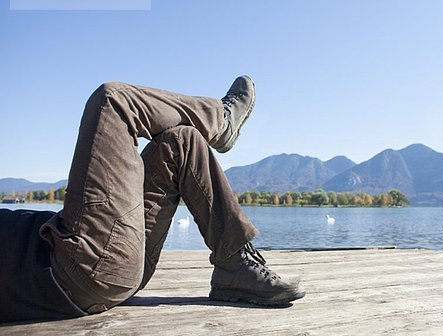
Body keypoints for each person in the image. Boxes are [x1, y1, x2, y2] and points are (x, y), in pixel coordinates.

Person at [0, 76, 305, 323]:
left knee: (181, 142)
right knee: (113, 101)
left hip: (113, 264)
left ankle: (236, 266)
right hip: (81, 266)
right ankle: (220, 121)